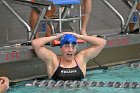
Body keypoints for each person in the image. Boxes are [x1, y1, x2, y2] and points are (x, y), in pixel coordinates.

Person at [32, 32, 106, 81]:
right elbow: (35, 43)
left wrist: (79, 36)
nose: (70, 50)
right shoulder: (54, 60)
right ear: (61, 48)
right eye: (67, 46)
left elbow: (102, 42)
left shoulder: (81, 59)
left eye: (73, 47)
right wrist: (55, 37)